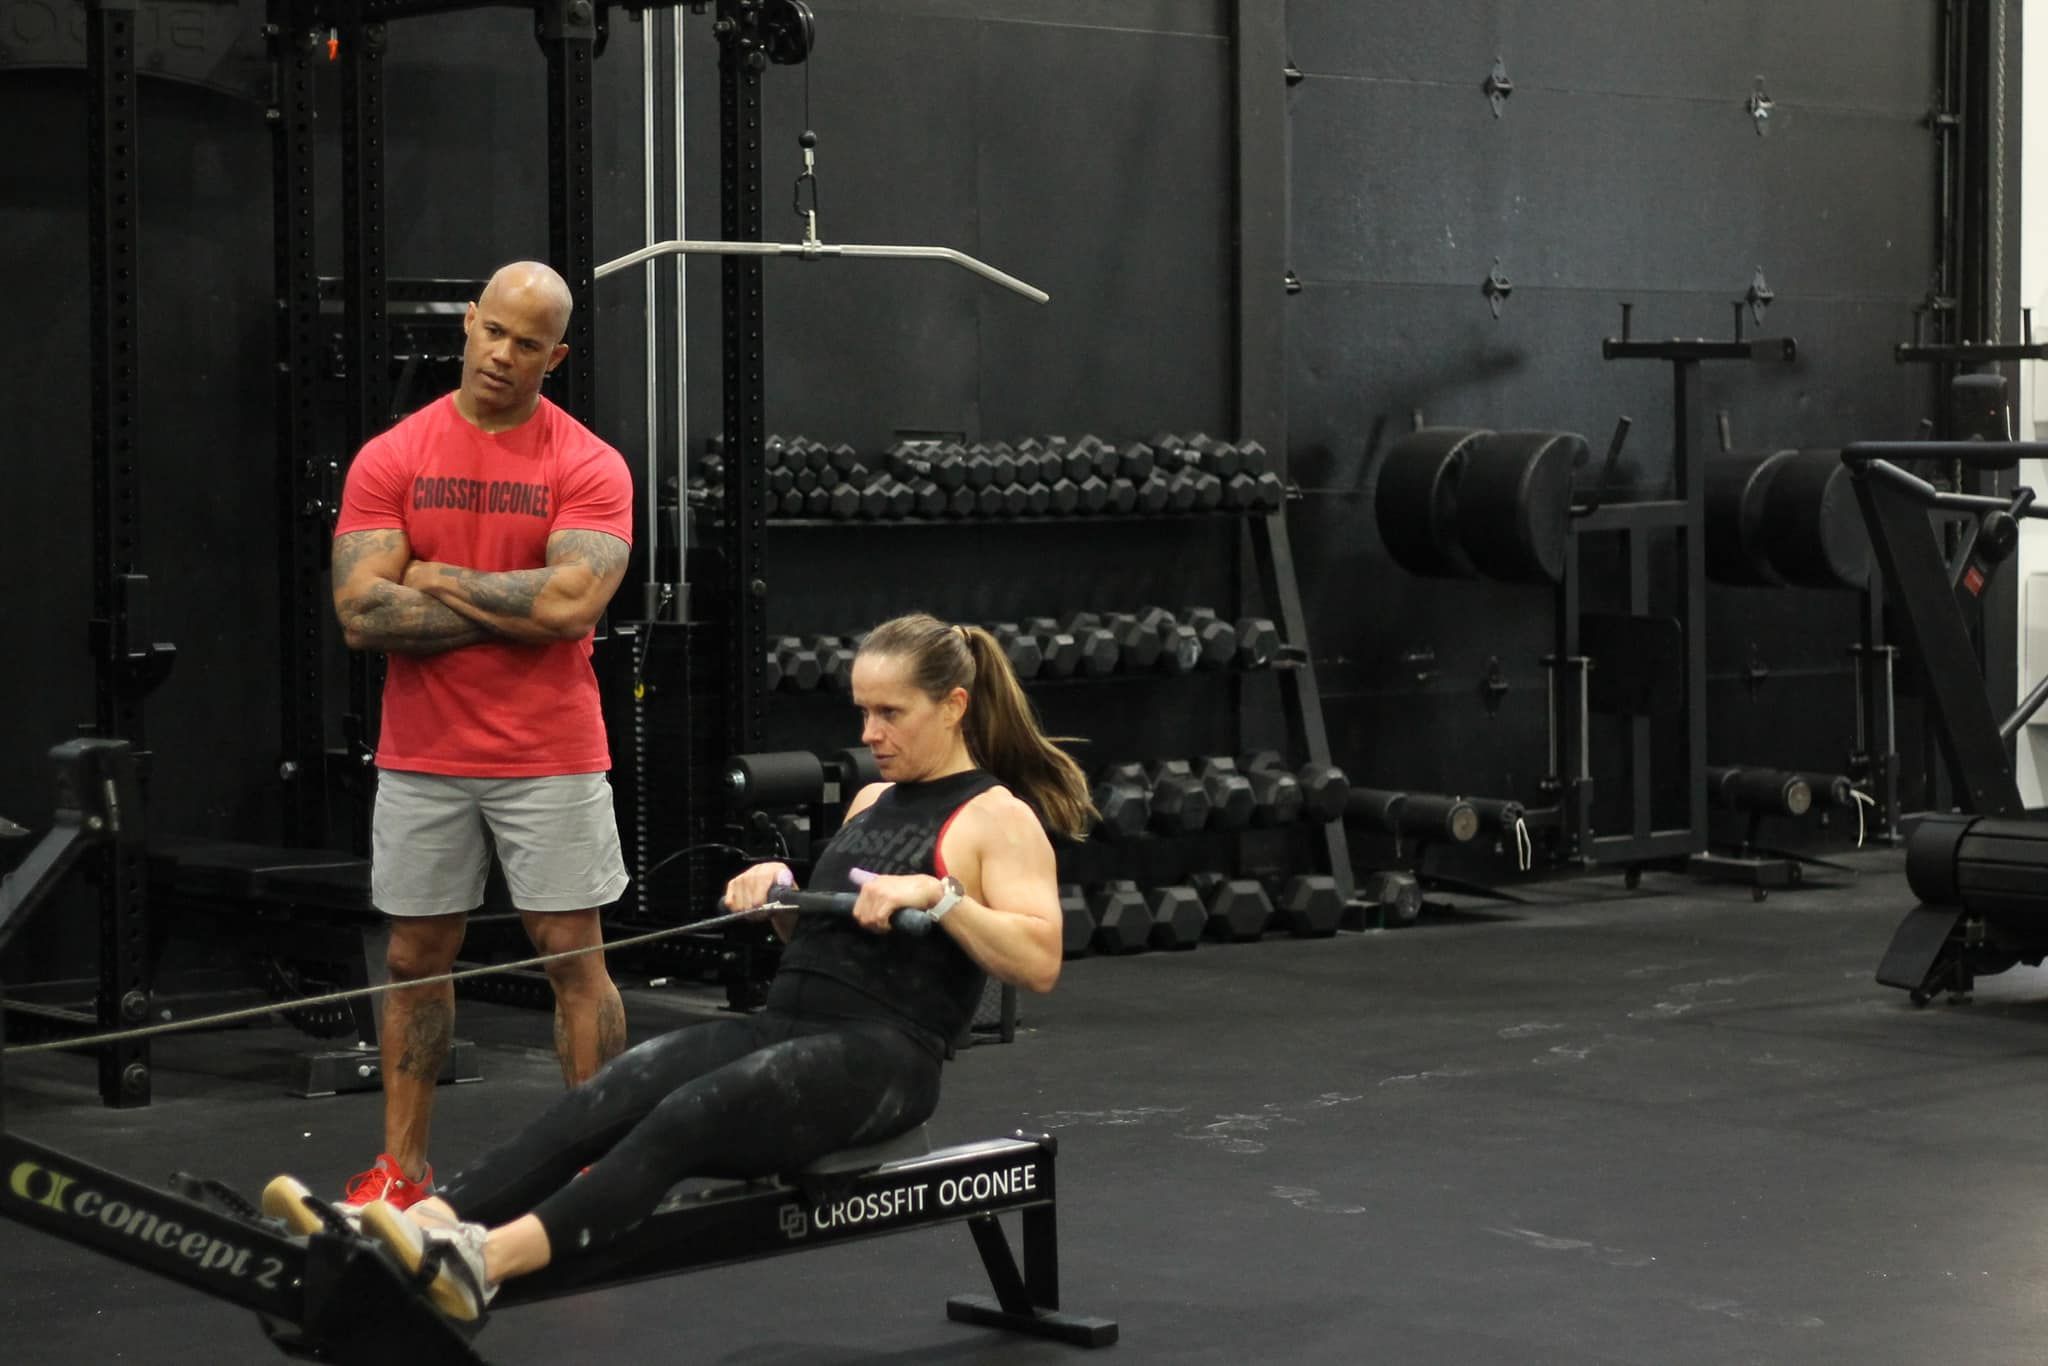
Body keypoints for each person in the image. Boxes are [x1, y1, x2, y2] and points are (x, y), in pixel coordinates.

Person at [264, 613, 1094, 1323]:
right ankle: (423, 1227)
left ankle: (480, 1263)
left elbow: (1040, 960)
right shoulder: (873, 801)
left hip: (886, 1059)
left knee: (685, 1116)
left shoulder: (997, 818)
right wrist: (782, 898)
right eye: (863, 712)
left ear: (954, 706)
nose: (870, 733)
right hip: (792, 1025)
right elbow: (837, 941)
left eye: (891, 713)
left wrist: (943, 897)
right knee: (610, 1094)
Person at [325, 260, 635, 1214]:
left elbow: (573, 600)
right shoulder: (394, 455)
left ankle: (597, 1165)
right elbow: (360, 615)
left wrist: (432, 575)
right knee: (415, 958)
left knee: (571, 958)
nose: (505, 355)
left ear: (557, 354)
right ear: (469, 323)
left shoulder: (587, 463)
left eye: (529, 344)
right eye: (494, 331)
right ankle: (403, 1173)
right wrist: (523, 606)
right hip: (424, 752)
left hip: (549, 750)